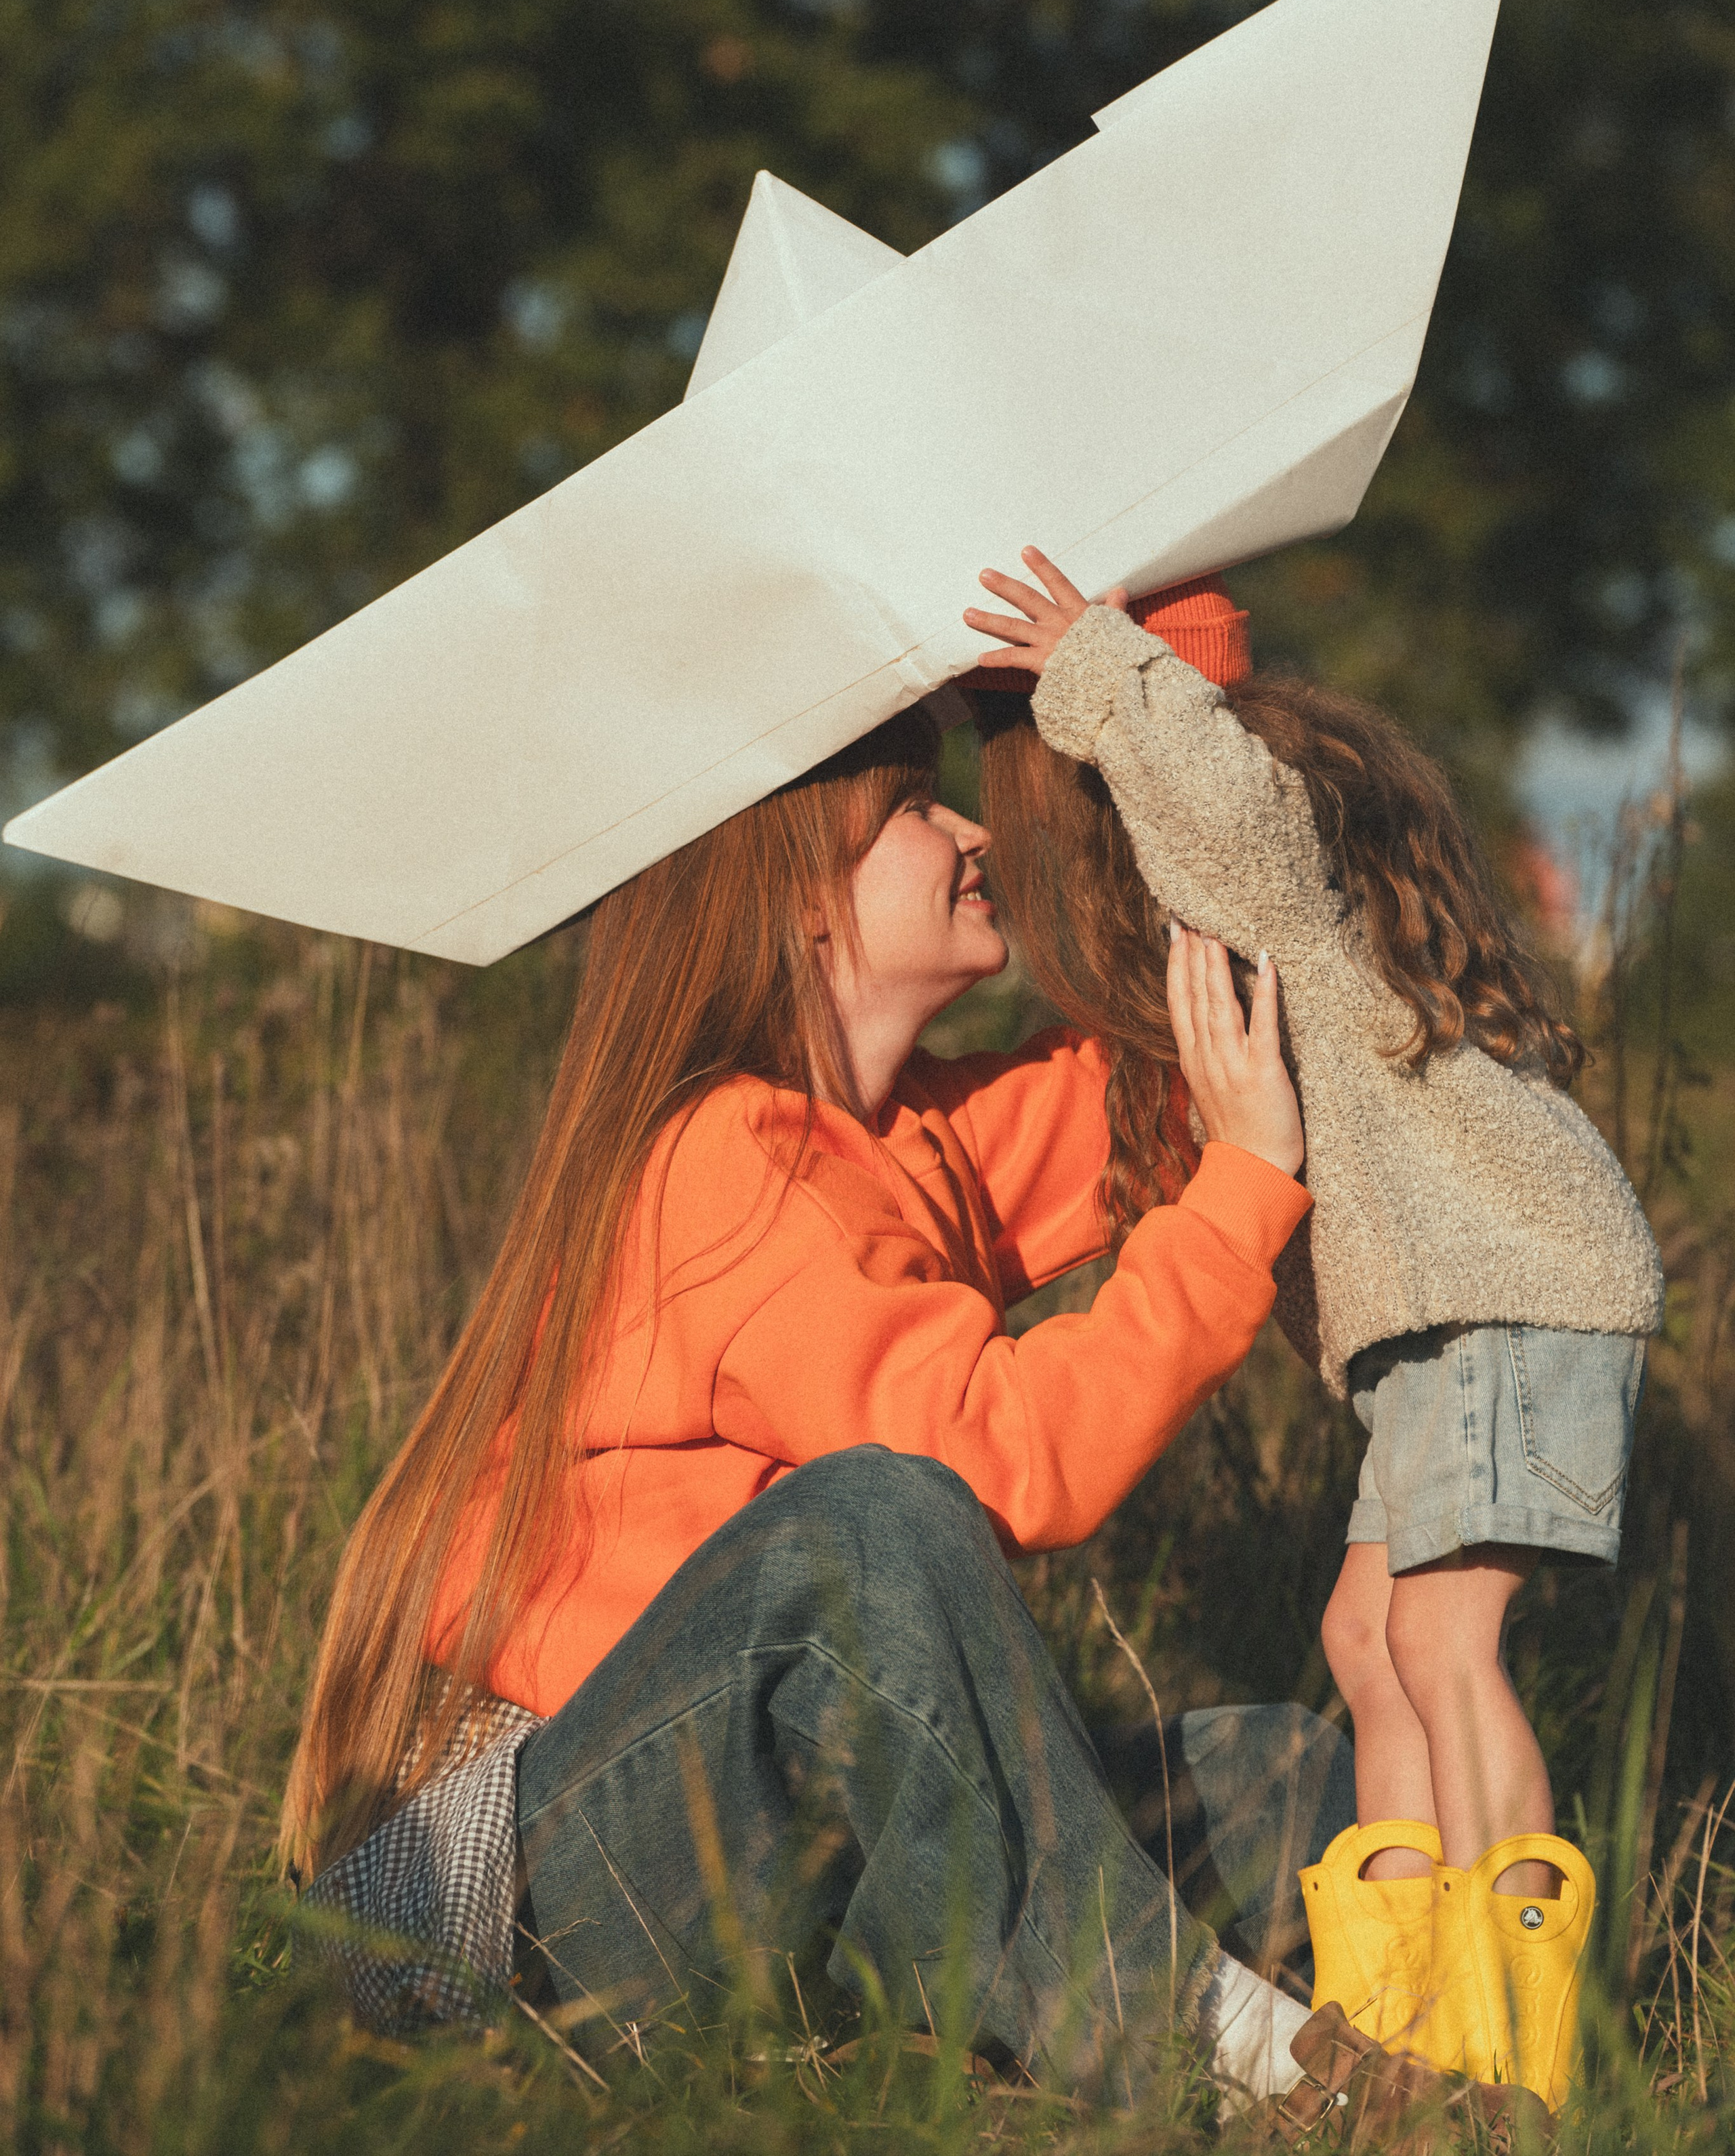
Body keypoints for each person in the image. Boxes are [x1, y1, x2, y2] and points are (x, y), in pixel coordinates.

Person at [283, 683, 1358, 2111]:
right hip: (526, 1902)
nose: (970, 826)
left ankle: (1437, 2021)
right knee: (872, 1517)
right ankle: (1236, 2062)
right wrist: (1239, 1192)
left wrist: (1153, 700)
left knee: (1284, 1774)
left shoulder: (902, 1134)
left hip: (766, 1829)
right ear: (800, 896)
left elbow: (1170, 1076)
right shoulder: (722, 1159)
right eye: (915, 806)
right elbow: (1005, 1458)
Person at [964, 547, 1664, 2105]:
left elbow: (1215, 807)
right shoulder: (1269, 953)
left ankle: (1510, 2061)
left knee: (1437, 1638)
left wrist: (1089, 670)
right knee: (1366, 1639)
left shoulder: (1265, 882)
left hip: (1507, 1286)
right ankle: (1408, 2032)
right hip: (1447, 1314)